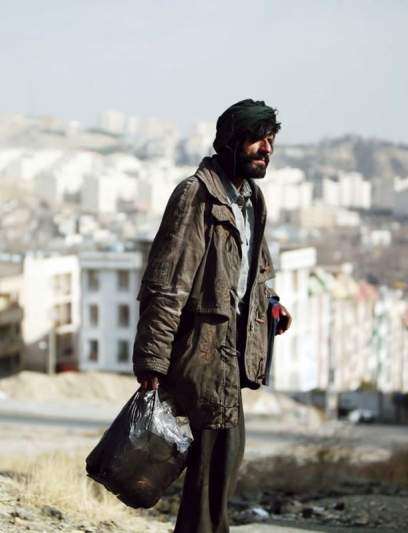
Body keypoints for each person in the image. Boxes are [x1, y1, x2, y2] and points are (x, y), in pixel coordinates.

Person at [132, 99, 292, 533]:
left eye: (271, 139)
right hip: (200, 354)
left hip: (231, 355)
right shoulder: (197, 195)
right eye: (259, 138)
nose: (268, 148)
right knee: (209, 473)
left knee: (223, 466)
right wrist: (152, 361)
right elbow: (165, 285)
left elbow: (255, 271)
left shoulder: (251, 200)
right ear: (230, 141)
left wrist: (271, 305)